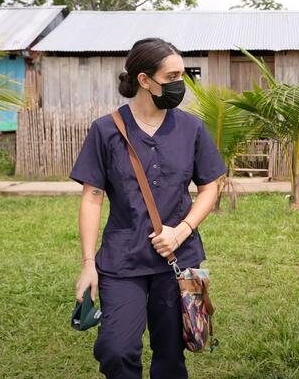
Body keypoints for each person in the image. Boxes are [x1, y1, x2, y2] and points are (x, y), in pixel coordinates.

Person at [70, 37, 226, 379]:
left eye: (182, 75)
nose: (179, 84)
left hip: (179, 260)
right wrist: (87, 264)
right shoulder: (106, 130)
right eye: (171, 77)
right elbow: (92, 196)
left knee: (171, 355)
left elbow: (209, 187)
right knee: (116, 349)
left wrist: (181, 231)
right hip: (121, 259)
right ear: (144, 80)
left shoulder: (191, 128)